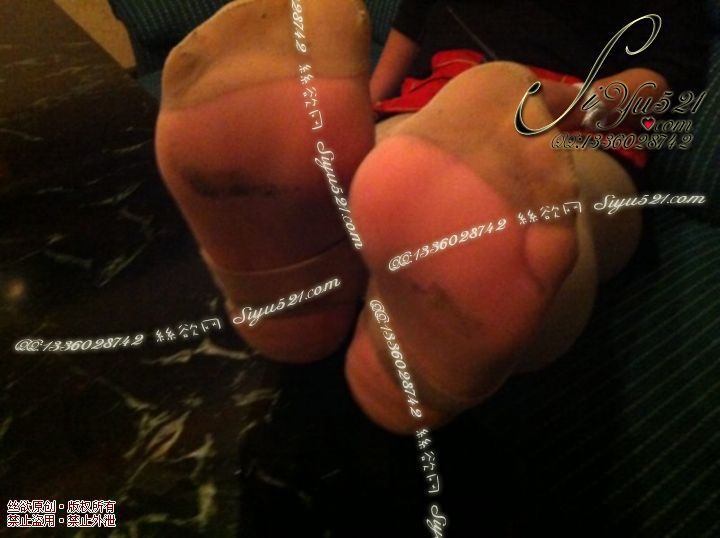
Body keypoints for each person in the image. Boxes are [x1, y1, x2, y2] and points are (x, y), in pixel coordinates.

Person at [155, 0, 709, 433]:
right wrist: (343, 112)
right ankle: (314, 289)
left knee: (542, 201)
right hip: (423, 116)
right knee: (389, 171)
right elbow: (398, 56)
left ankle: (313, 301)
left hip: (570, 131)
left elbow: (659, 86)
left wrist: (549, 101)